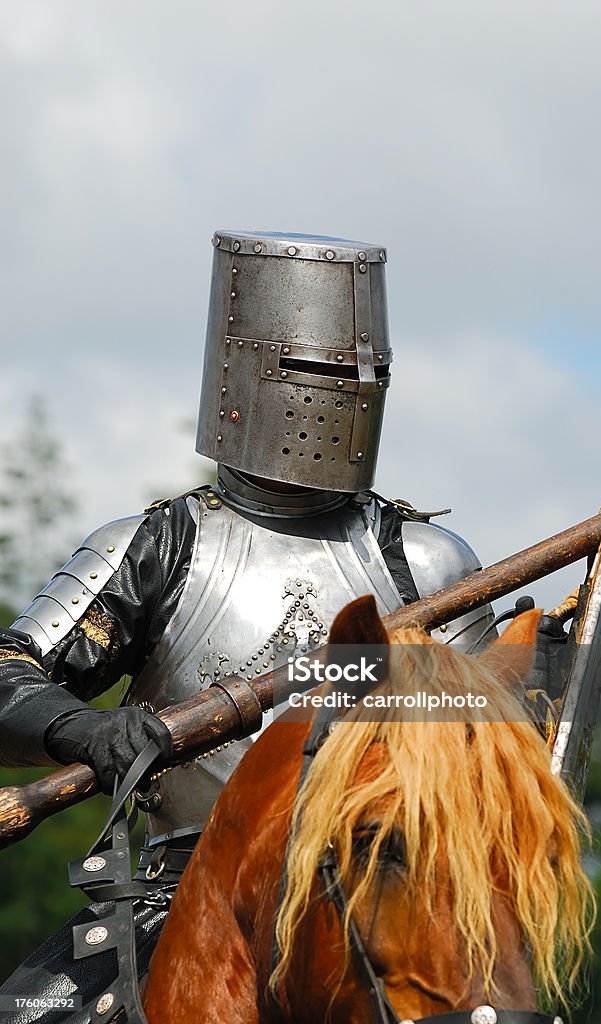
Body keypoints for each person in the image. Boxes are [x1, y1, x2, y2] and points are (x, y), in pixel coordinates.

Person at [0, 231, 493, 1021]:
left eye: (366, 376)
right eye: (317, 374)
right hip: (184, 892)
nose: (345, 394)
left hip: (382, 894)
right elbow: (6, 674)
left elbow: (488, 753)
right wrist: (83, 731)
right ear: (246, 375)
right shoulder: (160, 546)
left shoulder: (427, 564)